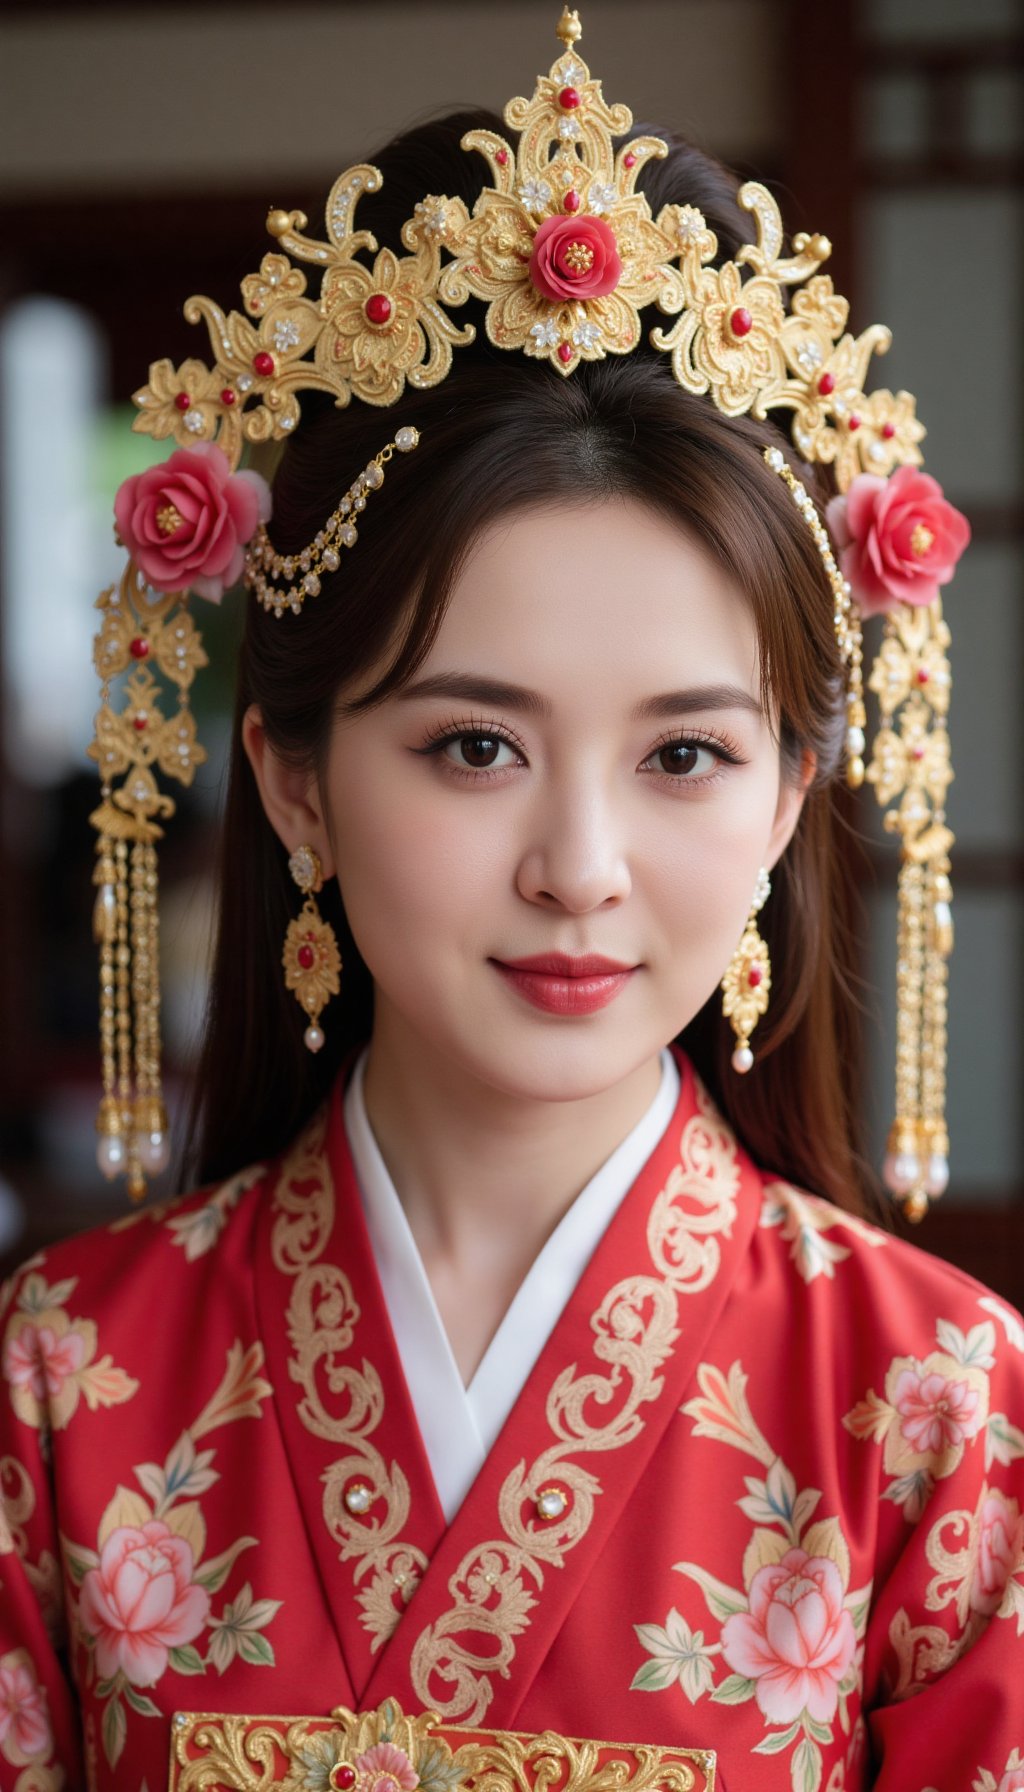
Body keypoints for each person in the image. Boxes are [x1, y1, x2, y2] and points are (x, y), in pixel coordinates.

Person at [1, 12, 1020, 1790]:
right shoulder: (65, 1381)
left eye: (685, 757)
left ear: (792, 799)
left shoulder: (937, 1404)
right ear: (297, 777)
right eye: (476, 746)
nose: (582, 866)